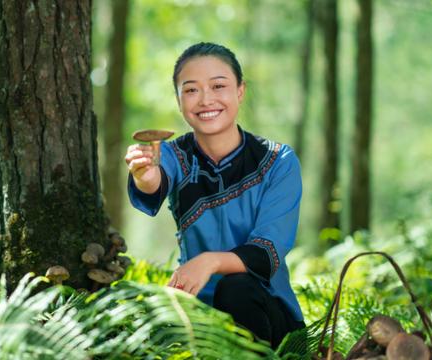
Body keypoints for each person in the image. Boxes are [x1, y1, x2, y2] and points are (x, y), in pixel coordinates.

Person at [124, 42, 305, 348]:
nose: (206, 100)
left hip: (269, 314)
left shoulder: (278, 162)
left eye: (218, 86)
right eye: (191, 90)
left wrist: (209, 262)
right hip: (198, 318)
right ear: (179, 100)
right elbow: (156, 180)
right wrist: (145, 176)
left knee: (237, 289)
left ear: (240, 91)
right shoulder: (173, 155)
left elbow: (268, 252)